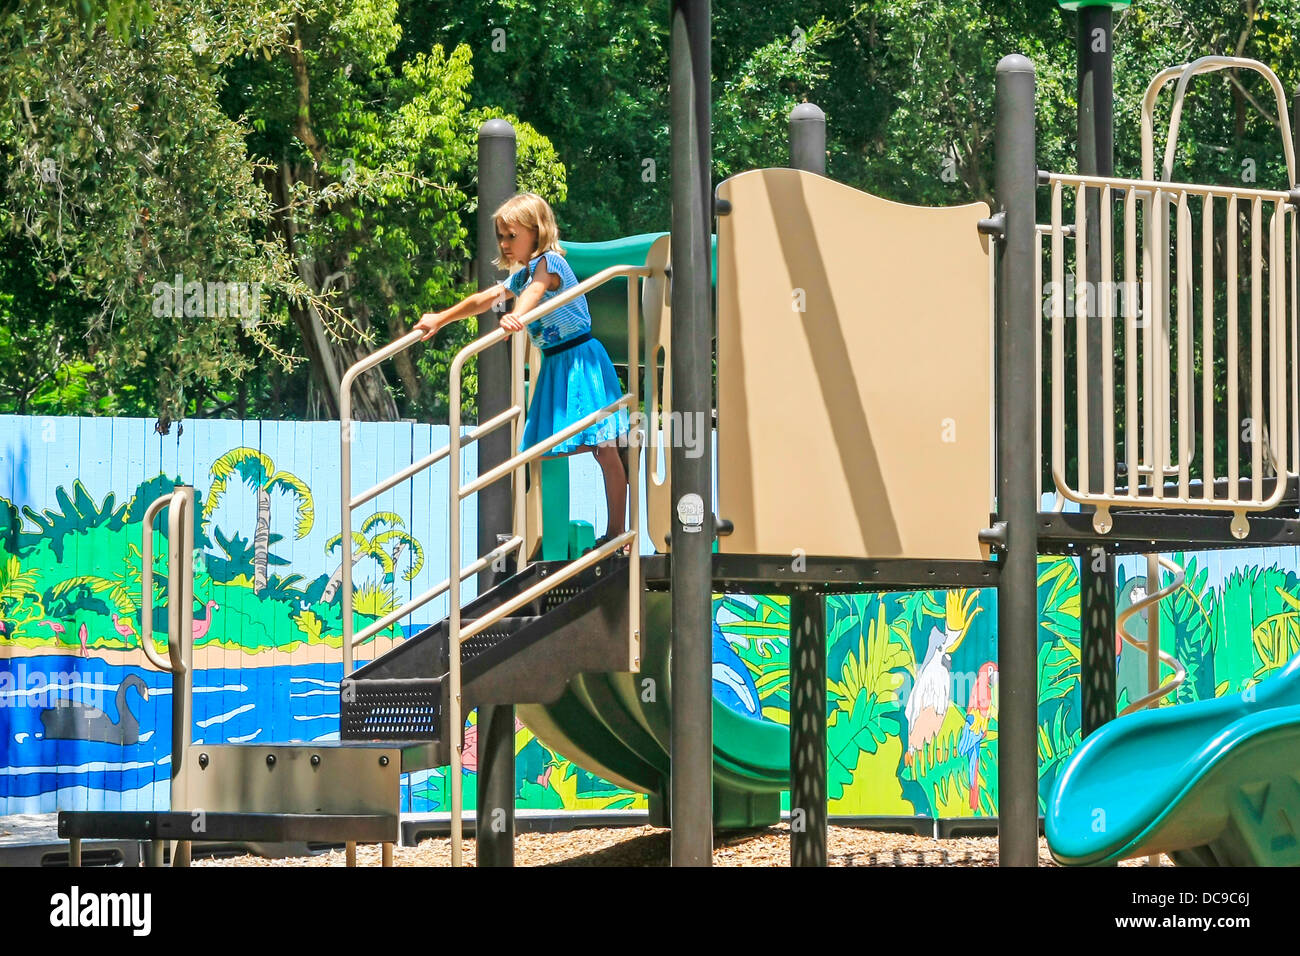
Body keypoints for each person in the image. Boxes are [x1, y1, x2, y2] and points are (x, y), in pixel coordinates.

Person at [415, 192, 631, 555]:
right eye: (501, 236)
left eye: (511, 235)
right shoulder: (524, 274)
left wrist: (521, 315)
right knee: (544, 451)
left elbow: (536, 291)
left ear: (537, 231)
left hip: (581, 360)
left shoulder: (550, 263)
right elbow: (487, 298)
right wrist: (441, 317)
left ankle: (617, 534)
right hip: (555, 364)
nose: (504, 243)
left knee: (605, 448)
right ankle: (550, 541)